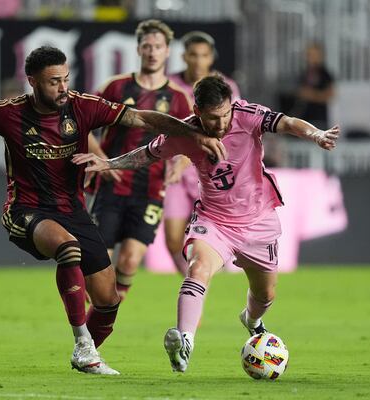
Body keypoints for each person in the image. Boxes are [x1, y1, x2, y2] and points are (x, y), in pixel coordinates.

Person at [0, 46, 225, 375]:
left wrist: (193, 133)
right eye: (53, 82)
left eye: (65, 79)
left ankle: (87, 354)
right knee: (68, 249)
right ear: (32, 82)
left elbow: (143, 118)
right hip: (25, 210)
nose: (62, 88)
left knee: (109, 301)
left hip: (73, 210)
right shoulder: (8, 113)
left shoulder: (82, 106)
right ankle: (82, 345)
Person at [72, 75, 339, 373]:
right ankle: (185, 341)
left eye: (225, 115)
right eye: (213, 118)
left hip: (258, 220)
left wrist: (316, 134)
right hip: (215, 221)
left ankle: (251, 321)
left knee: (266, 294)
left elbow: (288, 123)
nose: (222, 123)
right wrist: (109, 163)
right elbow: (146, 155)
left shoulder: (248, 115)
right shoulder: (185, 132)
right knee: (198, 268)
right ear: (198, 112)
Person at [89, 19, 193, 299]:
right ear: (138, 49)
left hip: (150, 189)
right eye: (146, 46)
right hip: (113, 183)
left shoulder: (179, 99)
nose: (152, 51)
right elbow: (82, 124)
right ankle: (98, 311)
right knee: (100, 261)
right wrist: (102, 161)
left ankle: (108, 313)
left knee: (131, 260)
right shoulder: (115, 88)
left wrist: (179, 165)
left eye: (157, 46)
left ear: (167, 51)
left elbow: (190, 142)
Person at [164, 31, 241, 274]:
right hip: (175, 172)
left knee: (219, 230)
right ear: (183, 56)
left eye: (204, 55)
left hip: (213, 171)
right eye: (193, 55)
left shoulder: (225, 87)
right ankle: (193, 283)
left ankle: (208, 275)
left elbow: (232, 128)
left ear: (211, 57)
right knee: (173, 240)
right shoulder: (168, 85)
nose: (198, 61)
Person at [293, 42, 335, 130]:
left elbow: (330, 95)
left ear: (321, 56)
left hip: (319, 119)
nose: (312, 58)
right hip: (304, 118)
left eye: (315, 55)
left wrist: (313, 95)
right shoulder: (305, 73)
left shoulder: (325, 74)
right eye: (309, 55)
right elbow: (300, 92)